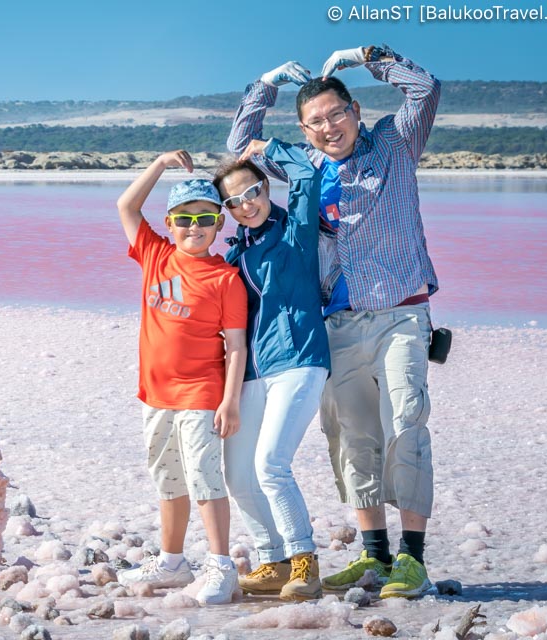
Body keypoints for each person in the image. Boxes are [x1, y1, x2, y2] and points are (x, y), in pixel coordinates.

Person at [227, 45, 441, 599]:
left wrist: (370, 57)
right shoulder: (308, 166)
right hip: (336, 323)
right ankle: (374, 559)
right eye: (315, 121)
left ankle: (412, 562)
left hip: (400, 312)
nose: (328, 127)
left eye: (336, 114)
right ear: (304, 128)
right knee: (350, 438)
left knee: (407, 425)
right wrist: (265, 82)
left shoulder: (395, 143)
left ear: (356, 111)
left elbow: (425, 89)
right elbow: (237, 150)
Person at [114, 149, 248, 605]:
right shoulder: (154, 254)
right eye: (184, 219)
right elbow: (126, 207)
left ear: (219, 224)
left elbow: (236, 346)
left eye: (205, 218)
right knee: (167, 479)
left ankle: (221, 566)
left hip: (201, 395)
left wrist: (229, 402)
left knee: (204, 479)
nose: (195, 228)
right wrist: (158, 165)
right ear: (169, 224)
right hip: (156, 396)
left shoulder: (225, 279)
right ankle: (172, 562)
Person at [214, 138, 330, 601]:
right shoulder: (235, 255)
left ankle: (305, 562)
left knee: (271, 465)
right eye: (234, 202)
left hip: (300, 360)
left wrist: (270, 147)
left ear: (265, 188)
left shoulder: (295, 232)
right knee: (238, 475)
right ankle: (273, 561)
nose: (246, 205)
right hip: (251, 374)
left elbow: (305, 175)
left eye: (252, 193)